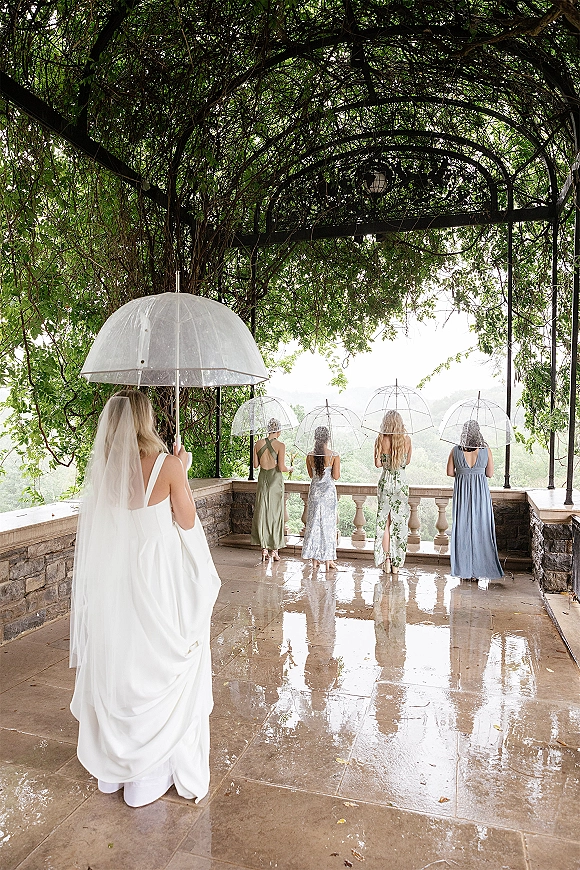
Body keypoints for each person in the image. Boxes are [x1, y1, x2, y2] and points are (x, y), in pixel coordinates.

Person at [70, 390, 220, 808]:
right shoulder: (168, 465)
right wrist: (182, 468)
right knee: (157, 663)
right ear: (144, 419)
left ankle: (115, 769)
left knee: (122, 661)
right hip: (158, 580)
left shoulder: (104, 468)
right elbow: (186, 520)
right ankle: (149, 772)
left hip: (116, 580)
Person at [446, 419, 503, 581]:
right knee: (481, 529)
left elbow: (450, 472)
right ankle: (478, 570)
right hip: (480, 493)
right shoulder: (486, 450)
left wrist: (463, 474)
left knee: (463, 529)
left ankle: (464, 570)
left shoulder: (455, 450)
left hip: (462, 493)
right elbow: (490, 474)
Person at [374, 409, 412, 574]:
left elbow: (377, 464)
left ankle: (387, 561)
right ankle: (397, 565)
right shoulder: (407, 439)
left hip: (386, 482)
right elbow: (407, 462)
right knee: (399, 523)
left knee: (385, 523)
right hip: (401, 483)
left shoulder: (380, 439)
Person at [251, 418, 293, 561]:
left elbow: (255, 465)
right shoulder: (280, 445)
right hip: (275, 480)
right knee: (275, 514)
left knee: (262, 512)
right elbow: (281, 468)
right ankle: (274, 550)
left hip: (263, 478)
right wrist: (290, 468)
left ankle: (263, 549)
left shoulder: (257, 443)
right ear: (279, 430)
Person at [302, 426, 340, 571]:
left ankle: (314, 559)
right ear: (328, 438)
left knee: (313, 526)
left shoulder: (310, 456)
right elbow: (335, 476)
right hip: (328, 495)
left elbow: (312, 476)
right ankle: (328, 559)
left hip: (315, 493)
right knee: (328, 526)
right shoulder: (334, 455)